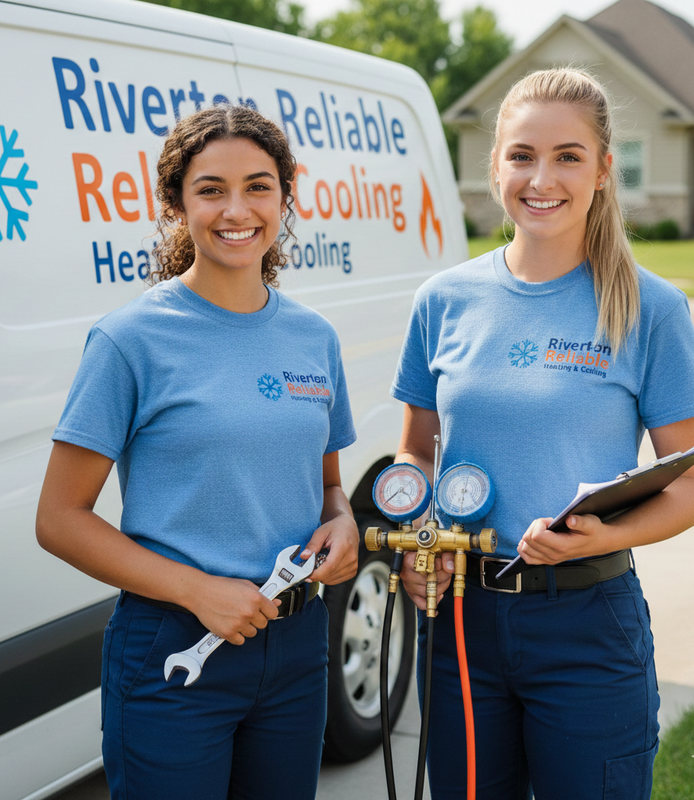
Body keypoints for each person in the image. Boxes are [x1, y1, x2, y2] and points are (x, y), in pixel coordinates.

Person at [36, 104, 359, 800]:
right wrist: (197, 591)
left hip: (297, 646)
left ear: (285, 197)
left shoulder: (314, 338)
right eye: (211, 188)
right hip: (176, 643)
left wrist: (342, 520)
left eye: (258, 186)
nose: (235, 209)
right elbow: (60, 518)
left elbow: (328, 487)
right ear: (176, 202)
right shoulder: (130, 341)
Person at [391, 68, 694, 800]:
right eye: (522, 155)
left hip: (588, 623)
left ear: (602, 169)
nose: (541, 177)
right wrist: (417, 541)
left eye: (567, 156)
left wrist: (606, 536)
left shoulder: (653, 309)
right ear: (495, 164)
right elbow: (414, 453)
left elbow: (687, 479)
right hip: (462, 623)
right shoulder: (442, 301)